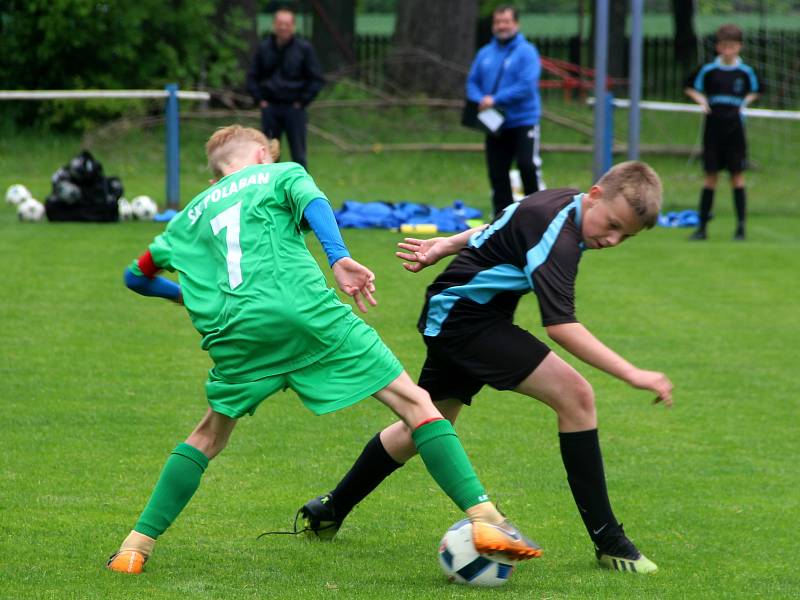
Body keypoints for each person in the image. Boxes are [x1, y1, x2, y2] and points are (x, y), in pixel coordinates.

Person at [106, 125, 542, 574]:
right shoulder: (279, 173)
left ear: (216, 178)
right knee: (416, 404)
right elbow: (314, 202)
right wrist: (337, 257)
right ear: (261, 154)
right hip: (304, 314)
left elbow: (134, 277)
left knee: (207, 436)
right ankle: (484, 518)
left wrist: (188, 296)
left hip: (236, 333)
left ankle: (134, 547)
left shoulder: (187, 216)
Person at [298, 161, 674, 575]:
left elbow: (503, 224)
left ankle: (329, 510)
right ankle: (609, 541)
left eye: (625, 236)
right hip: (465, 319)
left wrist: (446, 246)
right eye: (613, 225)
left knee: (422, 425)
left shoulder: (562, 202)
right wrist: (634, 374)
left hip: (460, 312)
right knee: (577, 396)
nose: (613, 239)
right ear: (596, 195)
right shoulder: (561, 233)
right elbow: (562, 327)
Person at [684, 23, 761, 241]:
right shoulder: (709, 70)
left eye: (733, 46)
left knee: (737, 177)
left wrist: (744, 104)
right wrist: (702, 101)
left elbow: (757, 89)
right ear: (718, 47)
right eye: (724, 46)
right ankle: (701, 229)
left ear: (739, 47)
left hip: (735, 130)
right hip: (713, 129)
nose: (728, 50)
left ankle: (740, 228)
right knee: (710, 177)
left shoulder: (746, 72)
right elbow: (689, 86)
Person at [466, 5, 544, 217]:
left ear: (515, 24)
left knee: (527, 166)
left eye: (506, 22)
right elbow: (472, 82)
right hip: (494, 123)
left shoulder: (527, 51)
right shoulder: (485, 53)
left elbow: (526, 85)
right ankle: (502, 219)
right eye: (498, 22)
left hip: (523, 120)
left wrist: (496, 99)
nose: (502, 26)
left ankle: (537, 214)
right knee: (497, 172)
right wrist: (479, 99)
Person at [246, 8, 324, 170]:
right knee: (269, 154)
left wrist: (302, 101)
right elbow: (252, 76)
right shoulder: (264, 48)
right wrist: (260, 100)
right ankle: (271, 191)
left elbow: (316, 79)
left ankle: (300, 192)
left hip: (294, 109)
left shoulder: (304, 49)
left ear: (293, 26)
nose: (283, 28)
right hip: (270, 108)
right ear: (274, 25)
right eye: (280, 24)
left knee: (299, 155)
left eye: (287, 24)